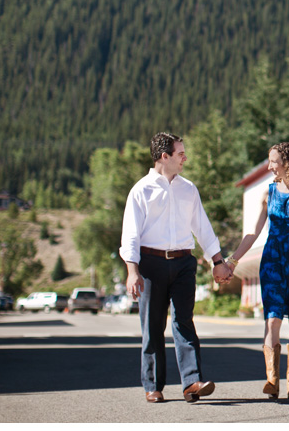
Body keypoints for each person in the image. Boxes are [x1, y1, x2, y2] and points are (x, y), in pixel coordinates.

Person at [119, 132, 234, 403]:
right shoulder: (141, 190)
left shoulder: (188, 189)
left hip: (183, 263)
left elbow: (202, 227)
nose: (185, 157)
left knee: (184, 322)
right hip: (150, 264)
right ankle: (153, 386)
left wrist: (217, 262)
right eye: (180, 153)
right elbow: (131, 234)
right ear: (164, 156)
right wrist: (132, 270)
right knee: (153, 326)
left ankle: (192, 383)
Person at [226, 142, 289, 399]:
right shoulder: (268, 194)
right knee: (272, 319)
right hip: (273, 260)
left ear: (288, 162)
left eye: (273, 161)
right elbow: (253, 233)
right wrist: (232, 261)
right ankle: (272, 380)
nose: (269, 166)